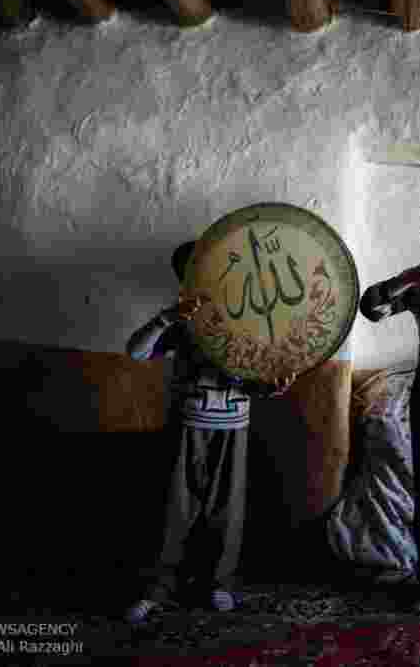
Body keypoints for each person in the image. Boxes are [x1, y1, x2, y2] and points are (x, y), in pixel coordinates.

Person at [123, 241, 295, 624]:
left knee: (227, 512)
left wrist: (273, 387)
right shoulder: (180, 322)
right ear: (185, 279)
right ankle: (157, 589)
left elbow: (256, 381)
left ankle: (219, 584)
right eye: (194, 273)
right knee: (174, 511)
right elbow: (136, 352)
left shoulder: (249, 319)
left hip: (235, 427)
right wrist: (168, 318)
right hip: (187, 424)